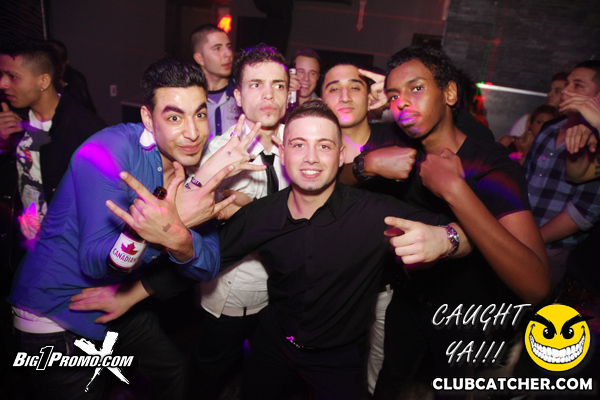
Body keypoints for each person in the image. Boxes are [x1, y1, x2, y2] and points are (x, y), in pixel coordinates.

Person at [6, 58, 262, 400]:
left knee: (174, 373)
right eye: (174, 117)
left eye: (200, 114)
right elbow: (95, 262)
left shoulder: (194, 166)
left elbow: (207, 265)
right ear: (148, 118)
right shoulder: (105, 152)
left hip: (116, 299)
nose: (193, 133)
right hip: (55, 313)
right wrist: (171, 226)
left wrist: (178, 234)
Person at [218, 99, 473, 400]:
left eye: (324, 146)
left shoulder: (375, 213)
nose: (311, 158)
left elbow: (469, 234)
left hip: (338, 360)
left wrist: (446, 239)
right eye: (298, 145)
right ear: (283, 154)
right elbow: (206, 257)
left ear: (340, 156)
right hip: (273, 346)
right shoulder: (261, 214)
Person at [363, 46, 550, 399]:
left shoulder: (490, 165)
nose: (401, 103)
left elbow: (536, 285)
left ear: (449, 94)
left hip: (465, 315)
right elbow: (339, 175)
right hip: (408, 300)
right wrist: (366, 164)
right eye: (393, 95)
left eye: (416, 88)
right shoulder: (397, 150)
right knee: (390, 382)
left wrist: (454, 190)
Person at [189, 43, 291, 399]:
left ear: (289, 94)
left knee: (266, 377)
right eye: (256, 84)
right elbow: (193, 215)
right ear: (238, 95)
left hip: (282, 293)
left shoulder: (297, 148)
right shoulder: (219, 151)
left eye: (278, 85)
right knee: (209, 373)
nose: (269, 94)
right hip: (233, 290)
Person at [320, 62, 413, 395]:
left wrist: (398, 97)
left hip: (386, 284)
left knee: (381, 364)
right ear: (320, 98)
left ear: (371, 96)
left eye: (355, 87)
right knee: (329, 365)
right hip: (330, 284)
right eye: (334, 88)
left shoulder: (396, 139)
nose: (345, 96)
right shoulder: (313, 145)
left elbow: (456, 132)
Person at [0, 39, 105, 265]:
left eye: (13, 76)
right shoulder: (10, 119)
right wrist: (3, 145)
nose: (3, 84)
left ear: (43, 81)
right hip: (25, 245)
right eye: (2, 75)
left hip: (66, 252)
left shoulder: (85, 129)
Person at [522, 60, 600, 289]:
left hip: (555, 251)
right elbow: (523, 179)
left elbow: (584, 211)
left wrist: (532, 239)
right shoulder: (551, 128)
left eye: (578, 85)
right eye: (567, 84)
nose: (566, 91)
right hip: (517, 236)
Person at [190, 24, 241, 138]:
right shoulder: (189, 99)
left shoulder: (242, 93)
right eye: (217, 48)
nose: (228, 54)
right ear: (200, 58)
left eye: (228, 47)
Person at [503, 72, 568, 138]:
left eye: (557, 91)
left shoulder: (567, 126)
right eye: (549, 90)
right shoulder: (528, 120)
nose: (550, 94)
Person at [47, 39, 98, 114]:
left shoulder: (76, 80)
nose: (57, 71)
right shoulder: (39, 82)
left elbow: (88, 110)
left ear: (66, 62)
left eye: (59, 66)